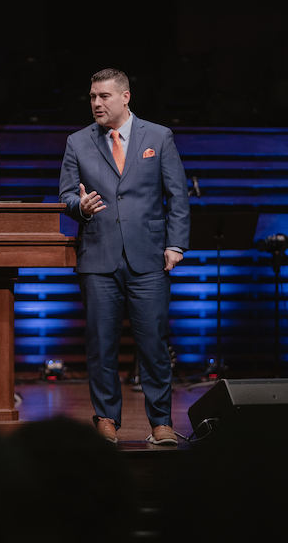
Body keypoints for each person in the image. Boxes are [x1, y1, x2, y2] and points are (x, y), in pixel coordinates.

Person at [59, 68, 190, 445]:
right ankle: (106, 421)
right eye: (92, 97)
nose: (96, 104)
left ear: (125, 97)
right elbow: (66, 195)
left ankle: (161, 423)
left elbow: (177, 197)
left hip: (148, 258)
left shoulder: (159, 136)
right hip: (98, 258)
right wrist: (79, 207)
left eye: (104, 96)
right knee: (101, 346)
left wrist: (175, 245)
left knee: (153, 345)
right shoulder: (78, 142)